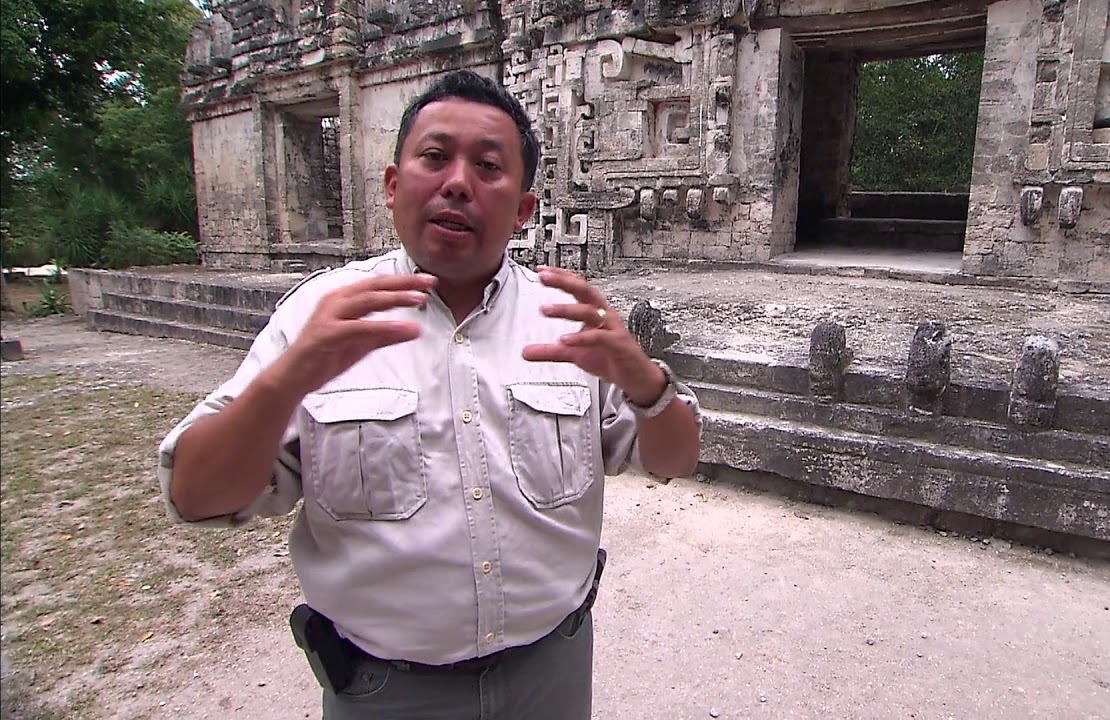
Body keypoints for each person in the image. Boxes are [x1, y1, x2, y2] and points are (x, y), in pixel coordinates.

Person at [157, 69, 703, 719]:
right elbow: (194, 497)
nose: (457, 182)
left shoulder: (570, 320)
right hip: (386, 694)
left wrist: (646, 382)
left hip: (550, 675)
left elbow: (675, 462)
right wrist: (288, 379)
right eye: (435, 157)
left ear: (524, 209)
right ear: (393, 186)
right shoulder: (317, 319)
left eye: (489, 166)